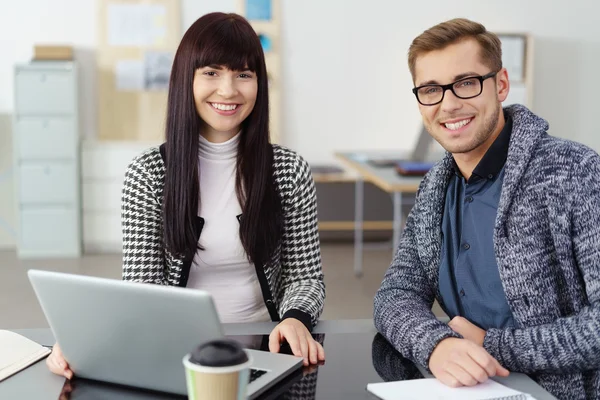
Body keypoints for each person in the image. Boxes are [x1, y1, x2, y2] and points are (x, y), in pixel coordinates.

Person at [47, 12, 326, 379]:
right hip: (177, 353)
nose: (228, 90)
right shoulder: (148, 173)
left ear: (259, 83)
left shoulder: (288, 170)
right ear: (185, 79)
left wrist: (294, 318)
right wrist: (87, 338)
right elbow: (142, 287)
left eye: (244, 74)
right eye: (211, 72)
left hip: (267, 349)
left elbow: (306, 277)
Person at [374, 18, 600, 399]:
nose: (448, 104)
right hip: (465, 388)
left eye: (465, 83)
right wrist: (436, 344)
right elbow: (395, 294)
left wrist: (494, 345)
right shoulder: (435, 187)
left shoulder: (575, 172)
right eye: (431, 89)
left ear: (501, 84)